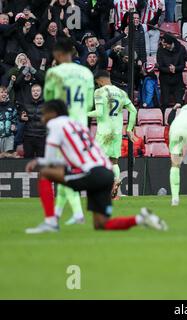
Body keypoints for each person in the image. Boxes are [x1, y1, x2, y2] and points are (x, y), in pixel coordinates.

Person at [24, 100, 167, 234]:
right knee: (101, 224)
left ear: (53, 113)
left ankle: (50, 222)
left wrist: (39, 162)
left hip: (91, 172)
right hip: (106, 172)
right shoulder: (77, 125)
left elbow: (50, 161)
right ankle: (141, 219)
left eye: (44, 112)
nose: (42, 117)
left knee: (45, 173)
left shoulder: (55, 124)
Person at [44, 37, 95, 226]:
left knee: (63, 171)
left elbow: (49, 101)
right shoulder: (86, 73)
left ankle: (78, 214)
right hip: (80, 126)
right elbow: (89, 103)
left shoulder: (54, 73)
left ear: (57, 54)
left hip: (62, 126)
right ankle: (57, 214)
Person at [88, 70, 138, 199]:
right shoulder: (121, 92)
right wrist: (129, 129)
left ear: (101, 80)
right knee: (114, 161)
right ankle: (116, 186)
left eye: (97, 83)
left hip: (104, 131)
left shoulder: (99, 92)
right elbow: (133, 110)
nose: (98, 85)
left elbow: (99, 113)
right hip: (116, 131)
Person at [18, 84, 46, 158]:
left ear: (41, 92)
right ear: (31, 92)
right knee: (27, 160)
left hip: (42, 137)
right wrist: (21, 117)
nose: (35, 92)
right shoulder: (26, 103)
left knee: (41, 161)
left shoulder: (46, 105)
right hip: (28, 137)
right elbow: (21, 117)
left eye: (37, 91)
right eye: (33, 91)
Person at [0, 86, 18, 158]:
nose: (4, 94)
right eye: (2, 92)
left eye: (5, 92)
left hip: (9, 137)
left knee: (9, 157)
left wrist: (14, 126)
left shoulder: (12, 106)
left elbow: (15, 119)